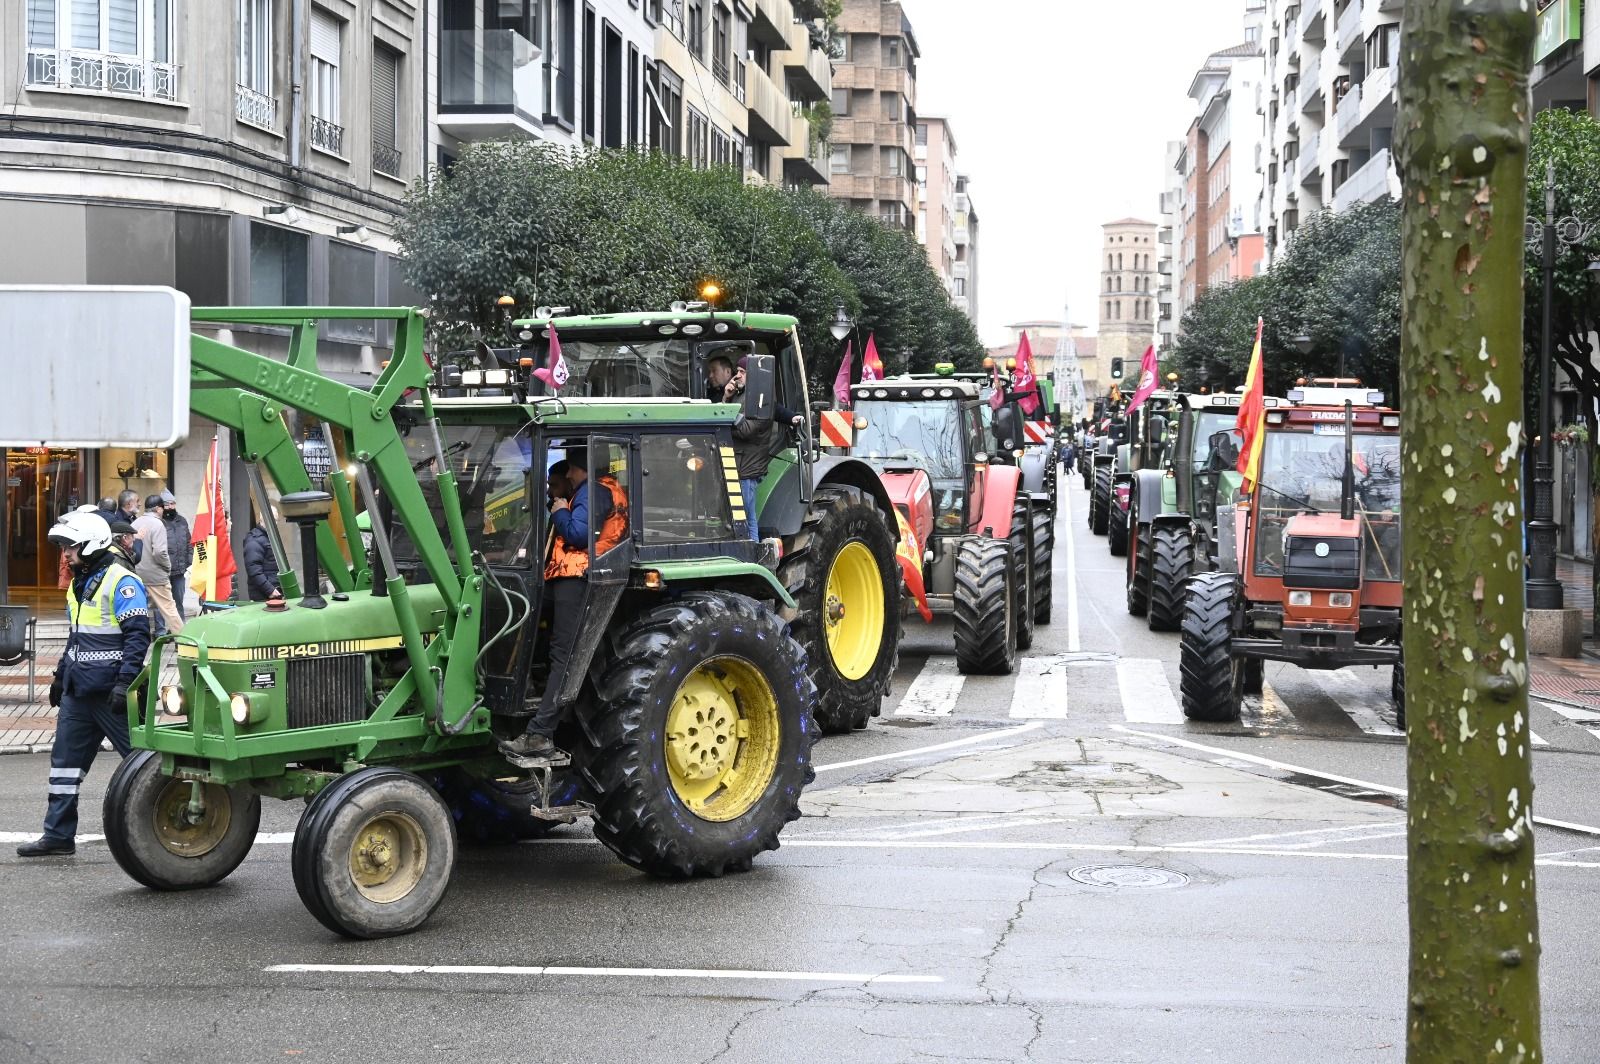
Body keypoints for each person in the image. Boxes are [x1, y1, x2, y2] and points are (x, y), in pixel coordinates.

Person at [16, 512, 151, 857]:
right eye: (63, 547)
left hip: (111, 695)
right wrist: (61, 676)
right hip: (79, 692)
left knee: (145, 766)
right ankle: (58, 837)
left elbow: (138, 637)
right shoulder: (79, 583)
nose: (64, 554)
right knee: (64, 766)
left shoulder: (122, 581)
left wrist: (124, 685)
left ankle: (161, 838)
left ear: (90, 545)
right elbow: (77, 636)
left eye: (69, 547)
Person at [501, 452, 627, 760]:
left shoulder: (596, 491)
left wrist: (559, 511)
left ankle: (540, 733)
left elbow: (576, 534)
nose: (568, 475)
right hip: (567, 576)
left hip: (578, 575)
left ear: (582, 469)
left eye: (571, 468)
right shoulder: (595, 490)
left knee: (564, 654)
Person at [724, 356, 803, 542]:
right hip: (742, 463)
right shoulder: (742, 395)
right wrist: (726, 398)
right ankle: (754, 551)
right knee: (748, 516)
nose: (737, 376)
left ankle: (750, 552)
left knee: (742, 517)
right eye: (738, 371)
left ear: (756, 376)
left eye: (742, 372)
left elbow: (746, 431)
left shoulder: (761, 400)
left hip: (747, 467)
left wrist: (727, 414)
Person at [134, 494, 183, 634]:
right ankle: (183, 641)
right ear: (157, 509)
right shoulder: (158, 524)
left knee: (138, 611)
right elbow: (160, 552)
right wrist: (167, 567)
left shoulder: (135, 523)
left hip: (137, 574)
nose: (164, 510)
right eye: (162, 507)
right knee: (169, 609)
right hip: (156, 576)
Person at [159, 490, 192, 620]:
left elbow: (189, 542)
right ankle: (160, 631)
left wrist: (189, 561)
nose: (171, 507)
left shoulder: (182, 521)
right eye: (167, 504)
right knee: (161, 604)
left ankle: (179, 629)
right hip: (163, 571)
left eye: (173, 503)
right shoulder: (158, 522)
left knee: (178, 601)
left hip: (180, 570)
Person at [243, 520, 281, 601]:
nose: (275, 523)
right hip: (264, 595)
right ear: (261, 520)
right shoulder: (254, 540)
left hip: (272, 593)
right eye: (273, 520)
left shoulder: (268, 537)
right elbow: (254, 570)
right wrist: (270, 590)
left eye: (277, 520)